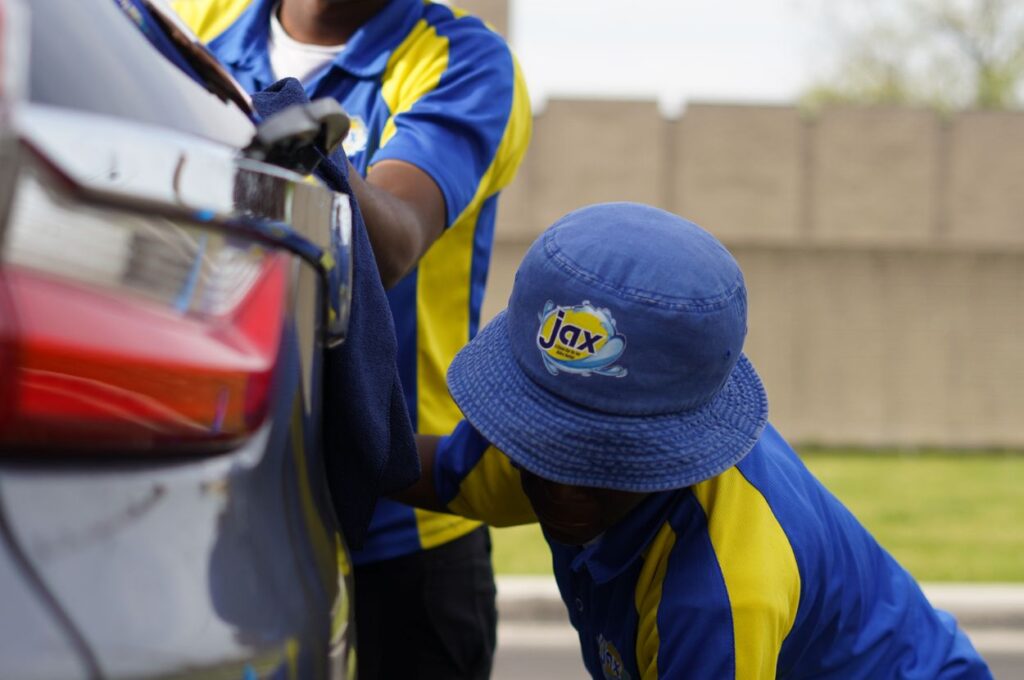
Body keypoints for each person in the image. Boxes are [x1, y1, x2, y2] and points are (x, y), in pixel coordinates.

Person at [397, 202, 993, 679]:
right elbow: (437, 473)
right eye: (544, 441)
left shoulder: (718, 594)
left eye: (601, 456)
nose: (561, 485)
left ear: (673, 448)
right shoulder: (540, 458)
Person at [172, 1, 531, 677]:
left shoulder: (462, 60)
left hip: (408, 528)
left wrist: (315, 153)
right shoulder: (198, 20)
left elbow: (391, 244)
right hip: (224, 501)